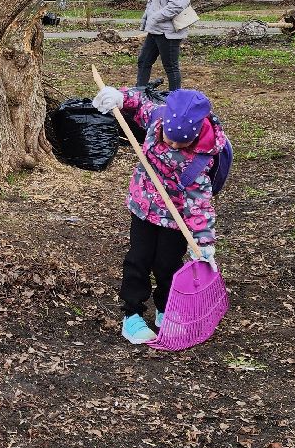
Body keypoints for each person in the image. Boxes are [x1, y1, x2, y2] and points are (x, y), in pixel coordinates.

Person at [93, 84, 228, 344]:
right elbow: (139, 103)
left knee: (168, 265)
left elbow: (200, 206)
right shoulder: (158, 117)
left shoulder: (199, 162)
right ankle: (132, 315)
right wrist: (120, 97)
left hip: (176, 219)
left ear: (198, 132)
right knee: (139, 259)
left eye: (182, 141)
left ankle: (166, 311)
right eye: (170, 137)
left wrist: (204, 243)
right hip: (144, 207)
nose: (174, 143)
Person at [134, 0, 191, 90]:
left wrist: (154, 17)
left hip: (169, 33)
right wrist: (148, 20)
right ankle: (140, 94)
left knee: (171, 67)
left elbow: (176, 6)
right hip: (156, 30)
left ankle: (176, 100)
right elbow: (155, 3)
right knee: (144, 61)